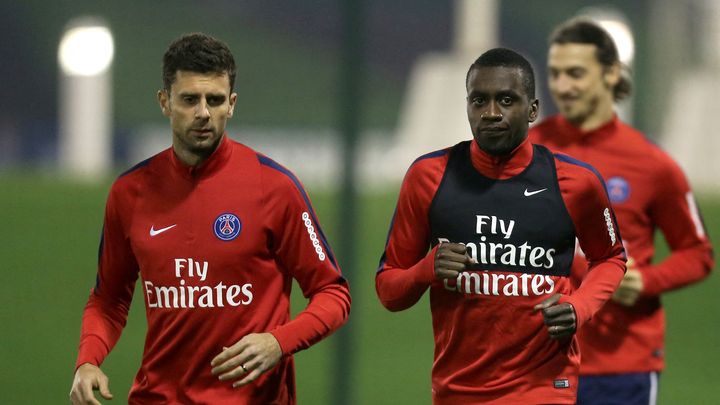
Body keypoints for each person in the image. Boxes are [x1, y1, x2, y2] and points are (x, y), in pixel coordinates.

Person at [68, 32, 351, 405]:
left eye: (215, 100)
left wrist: (277, 342)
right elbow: (108, 300)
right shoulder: (129, 193)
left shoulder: (275, 187)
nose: (203, 112)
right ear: (165, 102)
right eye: (189, 99)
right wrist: (88, 360)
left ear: (231, 104)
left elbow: (333, 293)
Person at [375, 47, 627, 404]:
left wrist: (579, 307)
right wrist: (425, 270)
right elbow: (389, 290)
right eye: (479, 100)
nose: (491, 113)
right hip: (458, 390)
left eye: (506, 100)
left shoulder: (576, 182)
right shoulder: (428, 177)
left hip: (544, 387)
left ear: (533, 110)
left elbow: (611, 258)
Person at [529, 18, 714, 405]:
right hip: (536, 359)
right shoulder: (528, 151)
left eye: (575, 73)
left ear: (611, 73)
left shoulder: (652, 163)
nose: (562, 86)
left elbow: (698, 254)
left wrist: (647, 281)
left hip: (621, 365)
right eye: (555, 74)